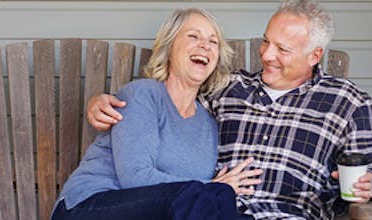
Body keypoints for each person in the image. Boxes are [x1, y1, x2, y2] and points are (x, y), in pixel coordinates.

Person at [87, 1, 372, 219]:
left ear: (315, 55)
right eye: (266, 42)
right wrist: (104, 100)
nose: (267, 55)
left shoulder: (348, 102)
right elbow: (169, 103)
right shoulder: (227, 88)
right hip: (216, 210)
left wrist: (369, 184)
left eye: (282, 50)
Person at [52, 8, 263, 220]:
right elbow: (135, 178)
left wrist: (214, 191)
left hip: (160, 213)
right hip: (89, 206)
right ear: (170, 46)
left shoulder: (209, 125)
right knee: (209, 196)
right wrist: (213, 186)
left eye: (213, 42)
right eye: (193, 36)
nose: (205, 45)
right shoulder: (143, 95)